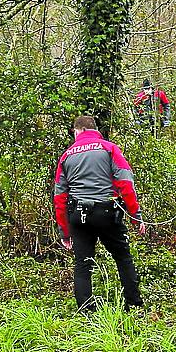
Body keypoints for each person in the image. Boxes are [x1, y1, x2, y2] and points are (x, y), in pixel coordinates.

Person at [53, 115, 148, 312]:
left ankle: (86, 311)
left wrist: (65, 231)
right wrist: (135, 216)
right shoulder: (109, 148)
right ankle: (134, 304)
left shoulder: (66, 155)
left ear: (77, 131)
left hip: (78, 216)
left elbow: (60, 197)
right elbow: (125, 184)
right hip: (107, 213)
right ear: (95, 129)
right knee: (122, 258)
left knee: (82, 264)